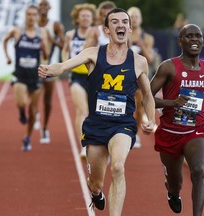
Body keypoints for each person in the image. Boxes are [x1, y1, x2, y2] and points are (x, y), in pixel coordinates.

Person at [38, 8, 156, 215]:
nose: (120, 25)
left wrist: (150, 119)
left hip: (123, 125)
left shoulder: (139, 61)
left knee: (118, 167)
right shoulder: (93, 53)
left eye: (124, 22)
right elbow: (65, 66)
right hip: (96, 125)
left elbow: (147, 94)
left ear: (129, 28)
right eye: (115, 22)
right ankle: (95, 192)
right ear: (107, 29)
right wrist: (50, 69)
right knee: (95, 183)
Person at [150, 24, 204, 215]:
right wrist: (172, 103)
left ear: (203, 41)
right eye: (189, 36)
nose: (194, 39)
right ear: (180, 41)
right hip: (170, 131)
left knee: (197, 170)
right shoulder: (169, 67)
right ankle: (172, 192)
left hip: (197, 129)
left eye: (198, 36)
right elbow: (146, 98)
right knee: (175, 182)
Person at [3, 5, 48, 151]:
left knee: (33, 110)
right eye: (29, 14)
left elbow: (46, 55)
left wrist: (43, 48)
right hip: (20, 75)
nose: (31, 17)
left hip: (35, 77)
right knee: (21, 102)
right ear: (25, 16)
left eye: (34, 14)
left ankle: (28, 137)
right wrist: (8, 57)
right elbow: (5, 41)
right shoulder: (17, 31)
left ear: (37, 17)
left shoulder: (41, 33)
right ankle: (21, 111)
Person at [61, 3, 96, 159]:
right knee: (82, 111)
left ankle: (97, 142)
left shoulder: (96, 34)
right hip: (77, 76)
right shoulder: (70, 34)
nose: (85, 18)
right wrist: (65, 65)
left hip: (95, 76)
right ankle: (84, 145)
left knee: (94, 113)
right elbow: (65, 51)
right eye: (83, 15)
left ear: (92, 18)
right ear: (77, 18)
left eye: (88, 15)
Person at [127, 6, 156, 148]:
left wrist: (142, 45)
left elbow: (150, 59)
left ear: (141, 19)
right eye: (131, 16)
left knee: (139, 108)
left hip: (140, 76)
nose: (134, 19)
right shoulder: (122, 35)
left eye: (136, 16)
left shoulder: (147, 38)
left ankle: (135, 133)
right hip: (124, 74)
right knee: (124, 105)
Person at [37, 0, 65, 144]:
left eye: (45, 5)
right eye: (40, 5)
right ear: (37, 8)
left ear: (49, 8)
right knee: (31, 97)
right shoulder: (31, 24)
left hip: (48, 67)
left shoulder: (54, 25)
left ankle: (45, 128)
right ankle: (35, 112)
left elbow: (63, 44)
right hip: (33, 68)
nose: (43, 7)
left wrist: (52, 40)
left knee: (47, 100)